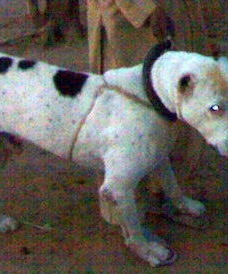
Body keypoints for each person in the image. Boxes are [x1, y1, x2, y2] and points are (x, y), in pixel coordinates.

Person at [87, 0, 209, 224]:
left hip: (166, 13)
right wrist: (145, 10)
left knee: (166, 110)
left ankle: (166, 195)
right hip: (130, 21)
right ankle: (130, 216)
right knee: (131, 114)